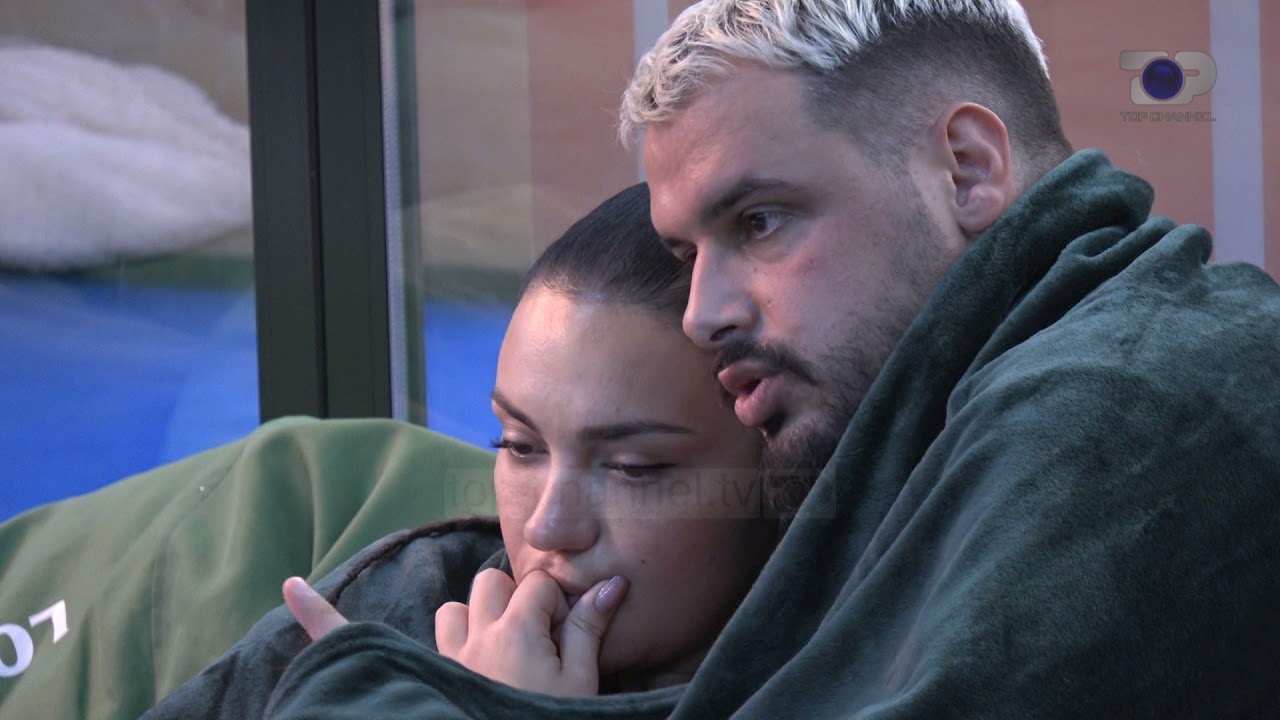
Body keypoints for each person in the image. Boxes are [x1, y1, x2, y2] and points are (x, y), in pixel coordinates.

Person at [254, 1, 1280, 718]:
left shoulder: (1133, 406)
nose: (702, 315)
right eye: (684, 255)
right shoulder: (980, 397)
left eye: (759, 220)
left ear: (967, 170)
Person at [141, 182, 777, 716]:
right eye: (519, 445)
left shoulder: (832, 680)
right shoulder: (398, 609)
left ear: (782, 473)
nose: (547, 527)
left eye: (633, 468)